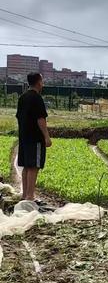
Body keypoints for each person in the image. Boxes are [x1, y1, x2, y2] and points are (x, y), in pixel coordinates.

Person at [16, 72, 52, 202]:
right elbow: (41, 119)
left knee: (26, 165)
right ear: (38, 82)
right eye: (42, 81)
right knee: (34, 166)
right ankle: (30, 197)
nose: (43, 83)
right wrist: (46, 137)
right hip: (35, 138)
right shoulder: (37, 98)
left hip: (24, 137)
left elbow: (19, 117)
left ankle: (25, 195)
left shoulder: (23, 97)